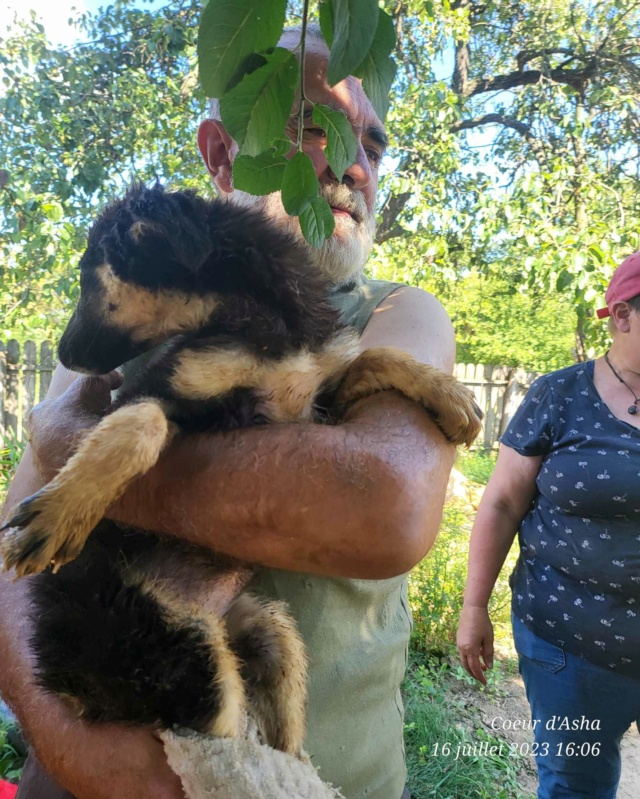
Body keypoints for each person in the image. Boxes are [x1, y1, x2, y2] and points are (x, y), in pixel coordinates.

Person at [0, 25, 457, 799]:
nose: (353, 165)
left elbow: (385, 507)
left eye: (373, 148)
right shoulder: (124, 319)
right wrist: (68, 739)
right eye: (315, 128)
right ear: (220, 154)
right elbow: (14, 546)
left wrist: (69, 438)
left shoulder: (398, 316)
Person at [457, 252, 640, 798]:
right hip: (570, 649)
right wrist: (473, 609)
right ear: (624, 315)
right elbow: (501, 505)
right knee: (575, 787)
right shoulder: (560, 395)